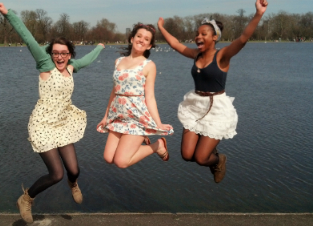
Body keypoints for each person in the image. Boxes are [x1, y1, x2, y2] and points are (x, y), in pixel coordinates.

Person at [0, 3, 104, 223]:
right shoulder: (45, 64)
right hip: (43, 124)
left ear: (70, 53)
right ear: (50, 53)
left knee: (74, 170)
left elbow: (87, 60)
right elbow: (28, 38)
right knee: (56, 174)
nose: (60, 57)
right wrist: (8, 14)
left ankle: (73, 184)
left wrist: (100, 47)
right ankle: (26, 199)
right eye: (56, 52)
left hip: (63, 123)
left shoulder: (72, 67)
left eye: (64, 53)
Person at [157, 0, 268, 183]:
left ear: (215, 37)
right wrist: (161, 27)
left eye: (204, 34)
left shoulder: (222, 55)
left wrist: (258, 14)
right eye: (197, 34)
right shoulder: (196, 55)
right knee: (186, 155)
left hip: (216, 108)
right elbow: (176, 44)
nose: (198, 37)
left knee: (201, 158)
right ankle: (208, 148)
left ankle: (218, 160)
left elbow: (242, 38)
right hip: (195, 106)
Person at [97, 23, 173, 169]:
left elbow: (150, 97)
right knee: (108, 158)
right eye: (139, 36)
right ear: (131, 39)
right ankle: (145, 141)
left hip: (136, 116)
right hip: (118, 114)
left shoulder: (149, 65)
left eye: (146, 39)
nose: (141, 40)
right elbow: (114, 91)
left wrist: (158, 123)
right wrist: (106, 116)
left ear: (149, 46)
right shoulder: (118, 62)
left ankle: (158, 145)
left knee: (121, 161)